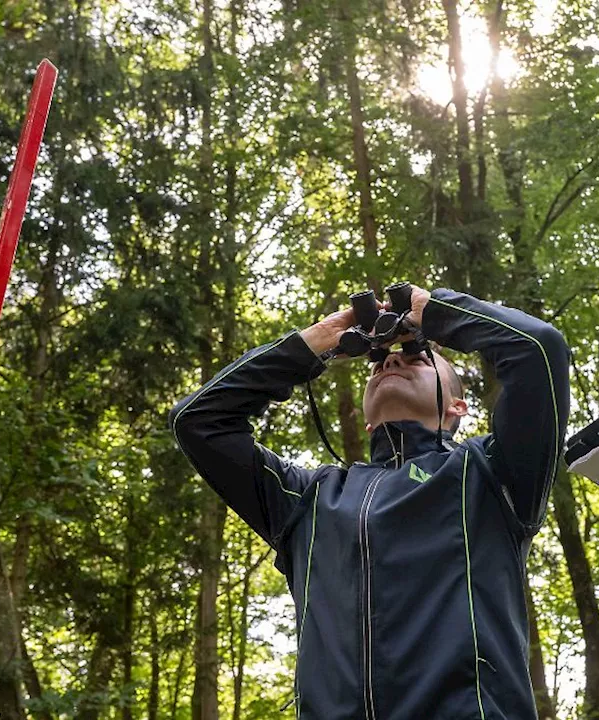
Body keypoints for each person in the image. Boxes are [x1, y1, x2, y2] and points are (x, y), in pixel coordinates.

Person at [170, 283, 569, 719]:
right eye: (377, 363)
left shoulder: (493, 473)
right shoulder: (308, 498)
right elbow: (198, 421)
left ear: (458, 407)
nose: (391, 359)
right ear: (363, 415)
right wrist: (315, 344)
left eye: (417, 356)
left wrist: (432, 312)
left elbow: (537, 350)